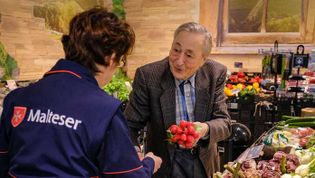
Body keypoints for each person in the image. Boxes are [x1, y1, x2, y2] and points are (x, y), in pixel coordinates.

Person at [0, 7, 162, 178]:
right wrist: (149, 163)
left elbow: (3, 163)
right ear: (111, 57)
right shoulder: (106, 111)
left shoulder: (16, 99)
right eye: (121, 61)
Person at [124, 22, 231, 178]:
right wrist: (136, 154)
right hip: (164, 164)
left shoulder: (215, 73)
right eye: (176, 50)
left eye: (189, 55)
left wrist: (204, 129)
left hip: (203, 163)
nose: (179, 61)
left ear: (203, 60)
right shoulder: (149, 76)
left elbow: (224, 123)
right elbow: (129, 124)